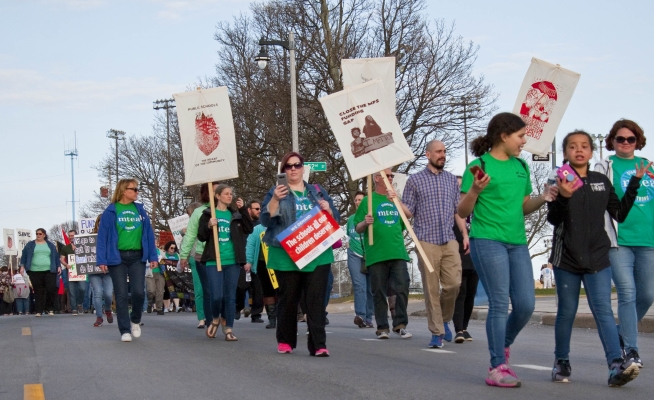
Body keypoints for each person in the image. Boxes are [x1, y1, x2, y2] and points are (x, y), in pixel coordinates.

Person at [458, 112, 553, 388]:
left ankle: (504, 343)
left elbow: (523, 206)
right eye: (521, 136)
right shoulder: (479, 166)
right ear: (504, 136)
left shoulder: (521, 167)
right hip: (487, 241)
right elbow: (463, 210)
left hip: (517, 243)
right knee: (500, 302)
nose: (524, 141)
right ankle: (497, 365)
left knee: (525, 305)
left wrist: (543, 198)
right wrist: (475, 190)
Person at [548, 130, 647, 386]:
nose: (578, 150)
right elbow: (553, 219)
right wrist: (564, 196)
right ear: (565, 152)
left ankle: (616, 365)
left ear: (592, 152)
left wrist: (635, 182)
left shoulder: (601, 180)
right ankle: (561, 361)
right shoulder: (558, 178)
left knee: (603, 311)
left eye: (584, 146)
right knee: (566, 312)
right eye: (572, 146)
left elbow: (619, 214)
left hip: (598, 258)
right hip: (566, 259)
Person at [260, 152, 339, 356]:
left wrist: (328, 209)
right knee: (288, 299)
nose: (293, 169)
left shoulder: (317, 191)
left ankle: (319, 344)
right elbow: (266, 221)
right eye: (288, 166)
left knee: (315, 300)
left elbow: (335, 219)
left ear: (304, 168)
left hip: (317, 253)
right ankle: (285, 341)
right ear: (283, 170)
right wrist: (276, 200)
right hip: (286, 254)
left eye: (297, 165)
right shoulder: (276, 191)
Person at [595, 119, 654, 368]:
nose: (626, 143)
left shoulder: (649, 166)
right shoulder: (605, 165)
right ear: (612, 141)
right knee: (627, 293)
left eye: (631, 139)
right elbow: (596, 198)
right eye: (621, 139)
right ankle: (631, 350)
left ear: (637, 140)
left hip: (648, 239)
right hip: (619, 240)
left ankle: (620, 333)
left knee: (648, 295)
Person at [402, 140, 466, 348]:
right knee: (431, 290)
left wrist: (464, 234)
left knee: (453, 285)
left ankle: (445, 318)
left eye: (445, 151)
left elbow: (458, 211)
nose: (443, 155)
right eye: (438, 151)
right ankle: (437, 332)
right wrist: (396, 202)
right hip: (425, 241)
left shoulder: (450, 180)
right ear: (427, 154)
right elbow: (409, 211)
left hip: (449, 239)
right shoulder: (415, 180)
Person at [96, 178, 158, 342]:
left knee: (138, 292)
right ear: (124, 190)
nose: (137, 192)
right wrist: (101, 259)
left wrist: (153, 256)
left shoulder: (140, 210)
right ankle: (124, 330)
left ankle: (135, 320)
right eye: (134, 189)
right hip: (117, 257)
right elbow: (102, 238)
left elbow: (148, 234)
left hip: (138, 256)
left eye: (137, 189)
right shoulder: (111, 211)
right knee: (122, 294)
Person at [354, 169, 412, 340]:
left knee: (402, 287)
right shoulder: (367, 201)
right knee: (378, 292)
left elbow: (406, 219)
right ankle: (382, 327)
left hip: (397, 251)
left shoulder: (395, 199)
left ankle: (400, 324)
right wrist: (365, 222)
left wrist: (396, 200)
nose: (391, 177)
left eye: (392, 175)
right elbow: (357, 227)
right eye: (387, 176)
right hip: (376, 253)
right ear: (377, 179)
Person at [197, 184, 253, 341]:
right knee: (216, 296)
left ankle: (229, 328)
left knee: (230, 297)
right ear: (218, 196)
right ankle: (215, 318)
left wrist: (243, 210)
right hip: (214, 260)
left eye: (231, 194)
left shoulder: (235, 215)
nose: (230, 196)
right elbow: (201, 236)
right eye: (226, 194)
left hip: (232, 261)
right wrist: (209, 226)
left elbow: (249, 229)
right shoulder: (208, 214)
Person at [180, 184, 218, 331]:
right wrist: (184, 256)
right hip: (203, 257)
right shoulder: (199, 212)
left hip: (226, 257)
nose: (217, 194)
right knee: (206, 290)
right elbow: (190, 235)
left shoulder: (227, 211)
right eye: (213, 191)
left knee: (219, 292)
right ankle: (208, 322)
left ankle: (223, 320)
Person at [452, 176, 478, 344]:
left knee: (471, 292)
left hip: (475, 253)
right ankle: (458, 329)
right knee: (460, 292)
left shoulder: (475, 206)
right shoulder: (450, 208)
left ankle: (465, 327)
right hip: (457, 251)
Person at [345, 191, 374, 328]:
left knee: (370, 288)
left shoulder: (372, 218)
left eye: (361, 200)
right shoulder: (351, 219)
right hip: (354, 254)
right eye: (356, 200)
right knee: (359, 285)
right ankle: (360, 316)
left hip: (370, 255)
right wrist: (346, 243)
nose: (358, 202)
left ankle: (369, 318)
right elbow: (347, 235)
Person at [20, 228, 61, 316]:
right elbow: (24, 255)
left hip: (50, 270)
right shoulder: (30, 245)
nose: (38, 235)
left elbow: (56, 256)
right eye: (37, 234)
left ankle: (50, 308)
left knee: (51, 288)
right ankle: (39, 310)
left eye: (40, 234)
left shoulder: (50, 245)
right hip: (34, 270)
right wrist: (22, 266)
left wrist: (58, 266)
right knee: (38, 290)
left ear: (44, 235)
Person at [245, 223, 279, 329]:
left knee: (281, 291)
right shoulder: (257, 229)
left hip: (280, 263)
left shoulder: (282, 224)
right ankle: (272, 318)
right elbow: (250, 245)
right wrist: (249, 261)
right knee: (267, 291)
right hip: (263, 264)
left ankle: (282, 317)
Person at [236, 200, 264, 323]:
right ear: (249, 210)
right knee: (241, 286)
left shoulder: (262, 224)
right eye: (256, 209)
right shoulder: (241, 224)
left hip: (258, 261)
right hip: (243, 260)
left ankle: (256, 314)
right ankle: (237, 308)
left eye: (260, 209)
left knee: (259, 289)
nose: (259, 211)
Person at [180, 201, 207, 328]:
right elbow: (186, 241)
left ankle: (211, 315)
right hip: (194, 258)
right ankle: (201, 318)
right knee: (199, 288)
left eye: (190, 214)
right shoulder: (188, 227)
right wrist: (184, 256)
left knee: (210, 288)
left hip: (208, 257)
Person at [89, 216, 115, 327]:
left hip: (108, 271)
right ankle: (99, 317)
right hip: (94, 270)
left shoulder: (113, 236)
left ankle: (108, 309)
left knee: (108, 294)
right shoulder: (90, 237)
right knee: (98, 292)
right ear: (97, 224)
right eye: (100, 222)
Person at [59, 230, 87, 315]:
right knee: (71, 291)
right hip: (70, 272)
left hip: (81, 271)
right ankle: (74, 308)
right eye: (70, 235)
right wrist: (66, 264)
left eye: (73, 235)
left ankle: (79, 304)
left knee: (82, 289)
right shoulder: (65, 248)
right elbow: (61, 259)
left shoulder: (83, 246)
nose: (71, 237)